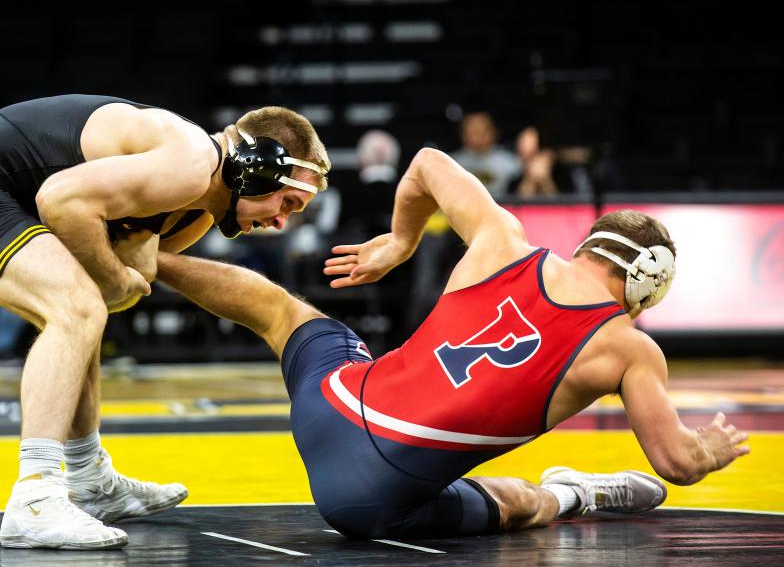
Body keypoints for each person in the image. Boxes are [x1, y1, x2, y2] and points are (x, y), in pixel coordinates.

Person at [154, 147, 749, 540]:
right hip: (365, 502)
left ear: (589, 246)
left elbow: (427, 162)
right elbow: (676, 464)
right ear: (651, 282)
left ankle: (147, 261)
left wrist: (399, 240)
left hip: (331, 404)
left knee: (279, 310)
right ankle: (573, 495)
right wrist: (710, 450)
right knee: (522, 504)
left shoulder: (501, 242)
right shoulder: (627, 349)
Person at [0, 94, 330, 550]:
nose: (282, 221)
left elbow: (139, 266)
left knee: (83, 314)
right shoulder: (190, 161)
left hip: (3, 193)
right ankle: (35, 496)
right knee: (79, 307)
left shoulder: (195, 210)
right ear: (259, 166)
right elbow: (60, 200)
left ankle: (89, 480)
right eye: (287, 202)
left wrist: (119, 277)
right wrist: (113, 278)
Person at [450, 112, 522, 199]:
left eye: (479, 131)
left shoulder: (509, 161)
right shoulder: (452, 162)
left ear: (492, 133)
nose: (475, 137)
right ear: (463, 135)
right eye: (471, 132)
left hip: (499, 207)